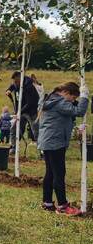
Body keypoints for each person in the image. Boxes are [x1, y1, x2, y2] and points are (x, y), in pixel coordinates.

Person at [38, 82, 88, 215]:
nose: (73, 101)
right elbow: (79, 111)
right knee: (59, 173)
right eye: (73, 98)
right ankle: (63, 206)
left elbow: (61, 119)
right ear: (66, 93)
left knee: (50, 172)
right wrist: (84, 96)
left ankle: (47, 202)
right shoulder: (60, 102)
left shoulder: (52, 99)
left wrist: (76, 128)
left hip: (48, 140)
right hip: (55, 142)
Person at [6, 71, 40, 150]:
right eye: (14, 81)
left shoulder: (29, 87)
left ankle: (42, 151)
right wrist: (9, 90)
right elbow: (12, 86)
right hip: (20, 112)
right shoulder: (16, 84)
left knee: (36, 131)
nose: (15, 83)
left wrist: (19, 112)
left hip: (31, 112)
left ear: (21, 79)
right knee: (14, 129)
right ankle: (13, 147)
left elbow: (30, 103)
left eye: (16, 81)